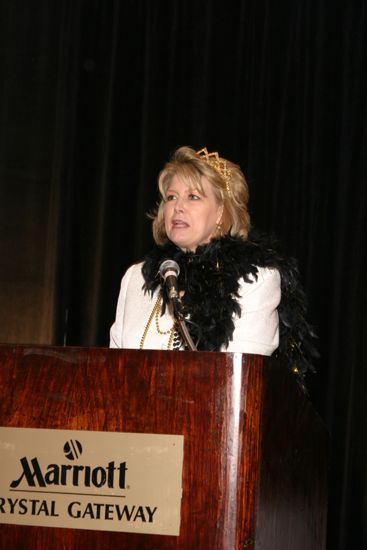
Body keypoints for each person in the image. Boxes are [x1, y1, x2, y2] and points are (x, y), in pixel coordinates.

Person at [110, 146, 317, 379]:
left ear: (220, 212)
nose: (177, 207)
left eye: (193, 196)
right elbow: (113, 373)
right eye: (171, 197)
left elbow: (240, 381)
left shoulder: (255, 280)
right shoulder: (136, 278)